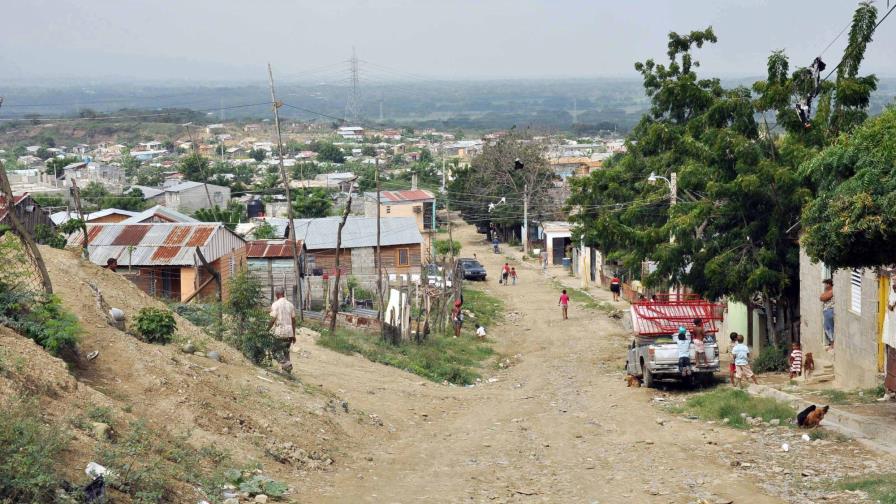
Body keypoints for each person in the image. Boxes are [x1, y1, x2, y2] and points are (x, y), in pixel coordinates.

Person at [268, 287, 296, 374]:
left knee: (274, 351)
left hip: (280, 332)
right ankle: (287, 373)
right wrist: (294, 335)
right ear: (283, 294)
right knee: (286, 352)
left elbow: (272, 319)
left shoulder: (275, 305)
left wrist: (266, 329)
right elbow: (294, 321)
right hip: (289, 332)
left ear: (277, 294)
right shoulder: (290, 305)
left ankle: (286, 365)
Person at [820, 279, 835, 350]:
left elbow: (822, 298)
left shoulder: (832, 291)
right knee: (827, 327)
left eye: (826, 284)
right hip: (827, 310)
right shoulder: (828, 291)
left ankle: (832, 343)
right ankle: (831, 342)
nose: (825, 286)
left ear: (829, 284)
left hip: (829, 310)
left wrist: (825, 293)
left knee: (829, 327)